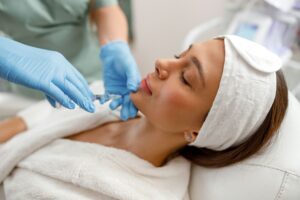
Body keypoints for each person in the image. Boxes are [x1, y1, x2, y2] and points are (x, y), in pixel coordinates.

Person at [0, 35, 289, 199]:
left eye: (186, 78)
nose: (162, 63)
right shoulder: (103, 98)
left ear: (198, 131)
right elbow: (15, 126)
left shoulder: (139, 193)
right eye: (180, 54)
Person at [0, 0, 140, 119]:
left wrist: (115, 47)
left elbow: (106, 8)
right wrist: (6, 53)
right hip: (24, 90)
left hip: (93, 78)